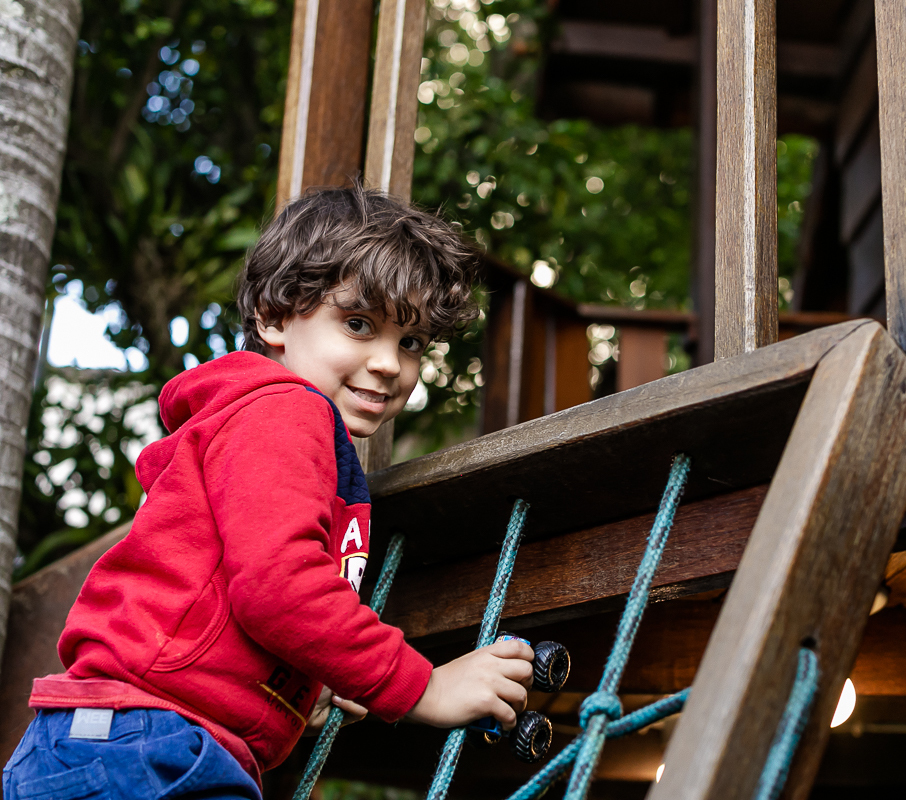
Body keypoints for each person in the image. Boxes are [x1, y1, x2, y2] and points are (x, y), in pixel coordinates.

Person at [3, 185, 534, 800]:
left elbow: (229, 599)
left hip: (128, 741)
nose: (390, 362)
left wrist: (288, 688)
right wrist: (423, 688)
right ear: (274, 317)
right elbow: (279, 586)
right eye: (359, 325)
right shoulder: (285, 411)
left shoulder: (259, 423)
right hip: (151, 749)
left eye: (410, 342)